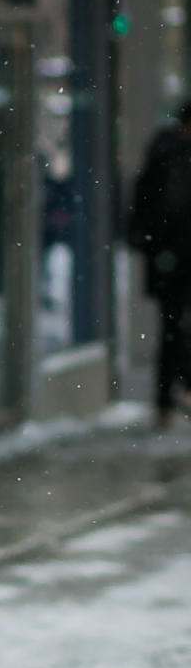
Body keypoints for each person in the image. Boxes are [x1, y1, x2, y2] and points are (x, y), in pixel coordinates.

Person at [128, 103, 191, 427]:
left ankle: (168, 397)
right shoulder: (172, 155)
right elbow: (164, 209)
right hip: (174, 258)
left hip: (169, 258)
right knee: (175, 327)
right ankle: (172, 394)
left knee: (173, 327)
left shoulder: (165, 152)